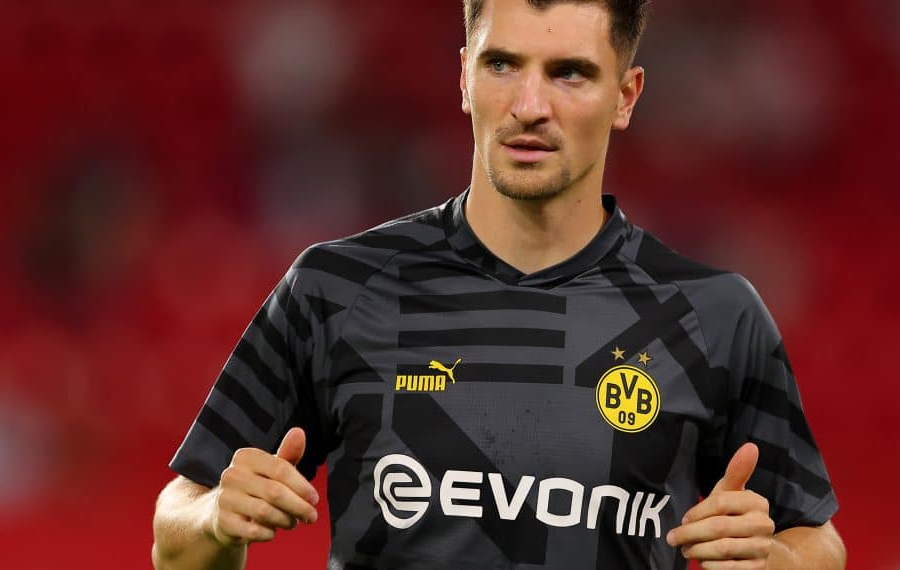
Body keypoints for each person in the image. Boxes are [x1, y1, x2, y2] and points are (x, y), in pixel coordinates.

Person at [152, 0, 847, 568]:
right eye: (503, 65)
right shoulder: (336, 289)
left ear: (626, 95)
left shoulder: (713, 314)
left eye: (570, 73)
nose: (529, 104)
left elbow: (816, 540)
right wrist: (215, 517)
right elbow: (173, 533)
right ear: (463, 77)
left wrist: (779, 561)